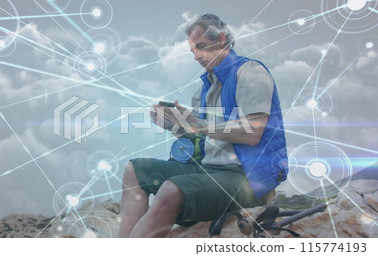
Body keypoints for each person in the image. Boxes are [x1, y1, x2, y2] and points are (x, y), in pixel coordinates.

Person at [119, 13, 288, 238]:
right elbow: (202, 141)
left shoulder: (250, 72)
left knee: (172, 189)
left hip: (247, 180)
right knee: (135, 170)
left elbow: (253, 132)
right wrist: (175, 126)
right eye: (193, 51)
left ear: (220, 39)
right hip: (210, 172)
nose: (196, 56)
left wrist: (198, 124)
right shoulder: (203, 90)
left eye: (201, 47)